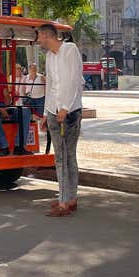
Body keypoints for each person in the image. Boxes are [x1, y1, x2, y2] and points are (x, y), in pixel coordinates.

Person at [37, 23, 84, 217]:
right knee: (60, 157)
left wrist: (65, 107)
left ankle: (67, 201)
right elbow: (50, 86)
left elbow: (75, 81)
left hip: (70, 112)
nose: (38, 40)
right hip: (53, 111)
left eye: (39, 36)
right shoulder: (49, 56)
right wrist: (46, 114)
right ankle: (67, 198)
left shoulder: (70, 50)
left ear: (47, 36)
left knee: (68, 156)